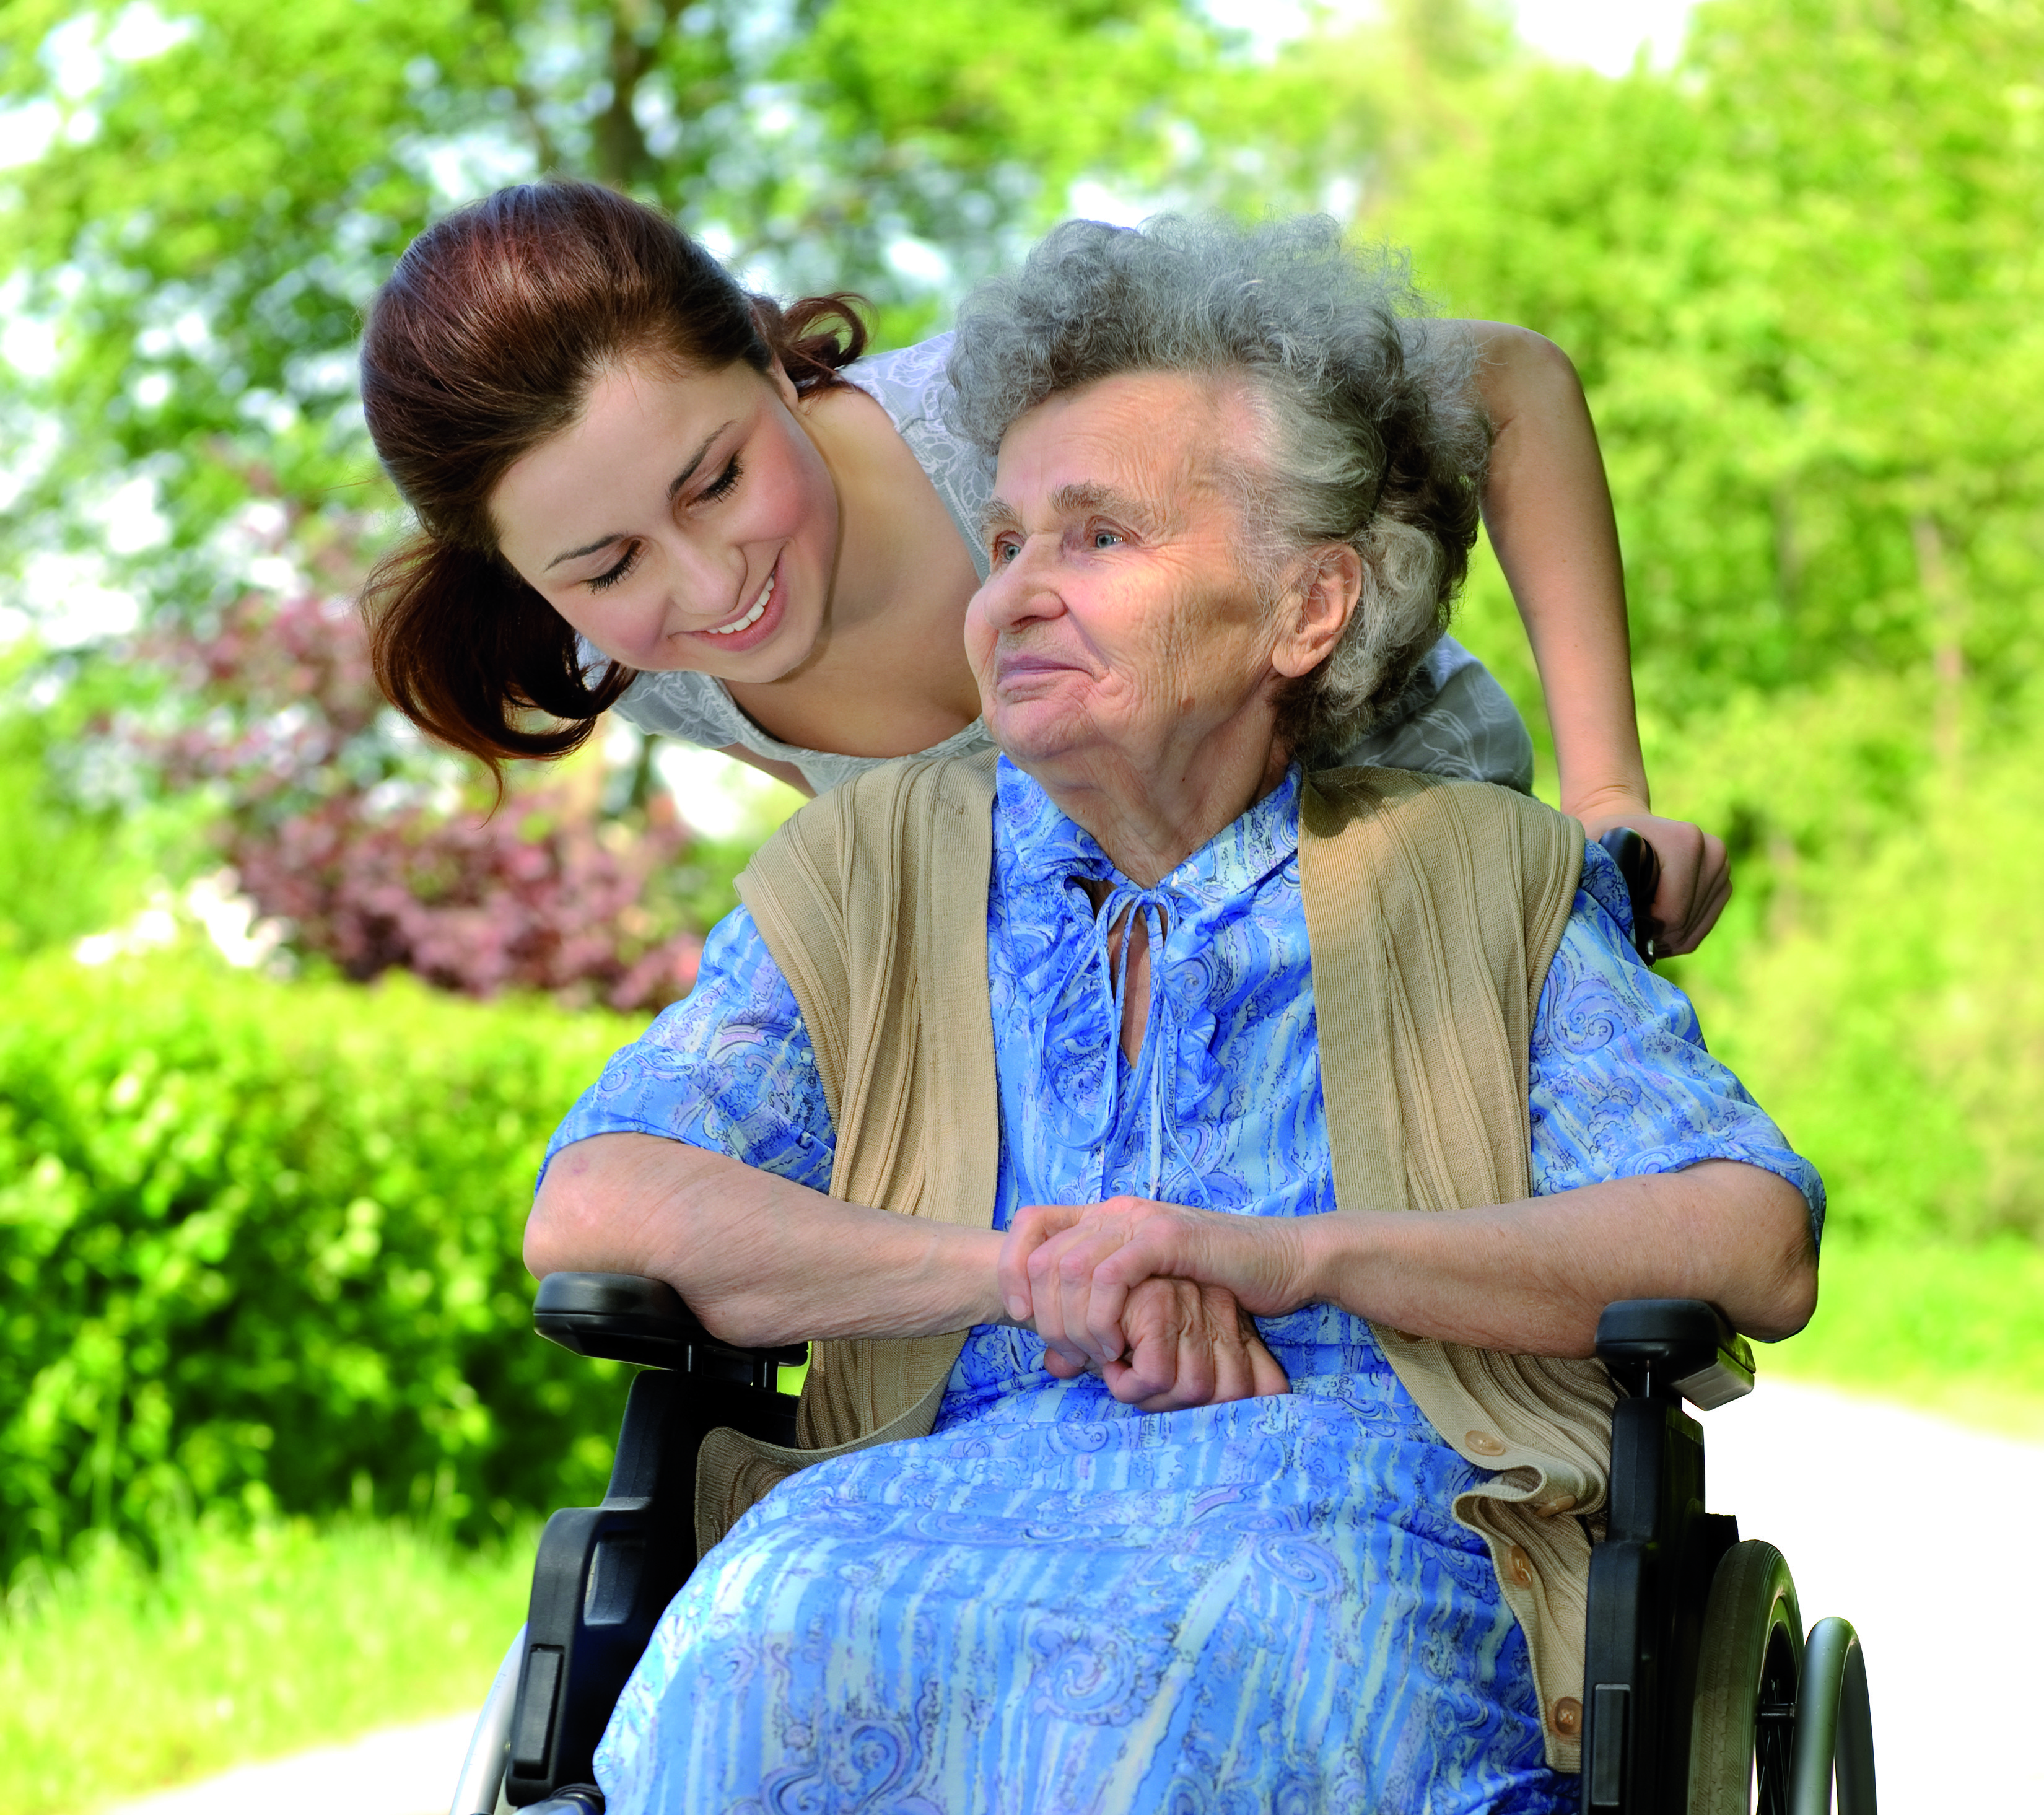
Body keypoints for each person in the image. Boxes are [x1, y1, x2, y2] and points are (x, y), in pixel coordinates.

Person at [524, 216, 1820, 1813]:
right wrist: (1025, 1277)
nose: (1012, 599)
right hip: (925, 1502)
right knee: (760, 1632)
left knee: (1241, 1663)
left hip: (1355, 1515)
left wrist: (1283, 1257)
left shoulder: (1483, 876)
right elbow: (599, 1198)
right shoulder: (870, 871)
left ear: (1308, 609)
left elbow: (1748, 1233)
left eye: (1098, 539)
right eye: (1003, 547)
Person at [359, 181, 1729, 955]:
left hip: (1404, 871)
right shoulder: (662, 678)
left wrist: (1613, 797)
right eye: (605, 565)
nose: (712, 585)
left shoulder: (1011, 414)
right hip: (1164, 1016)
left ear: (776, 364)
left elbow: (1514, 388)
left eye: (716, 478)